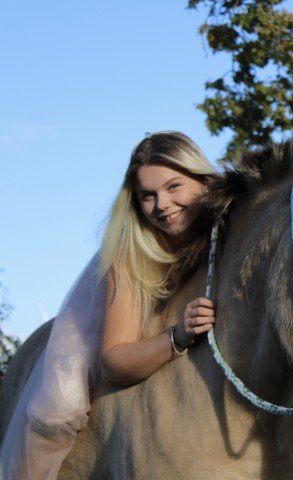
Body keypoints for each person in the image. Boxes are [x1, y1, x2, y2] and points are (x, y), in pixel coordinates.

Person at [0, 131, 218, 479]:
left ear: (204, 183)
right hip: (99, 333)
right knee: (53, 409)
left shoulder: (233, 227)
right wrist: (178, 334)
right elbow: (115, 359)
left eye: (174, 186)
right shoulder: (131, 254)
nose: (161, 205)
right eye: (148, 195)